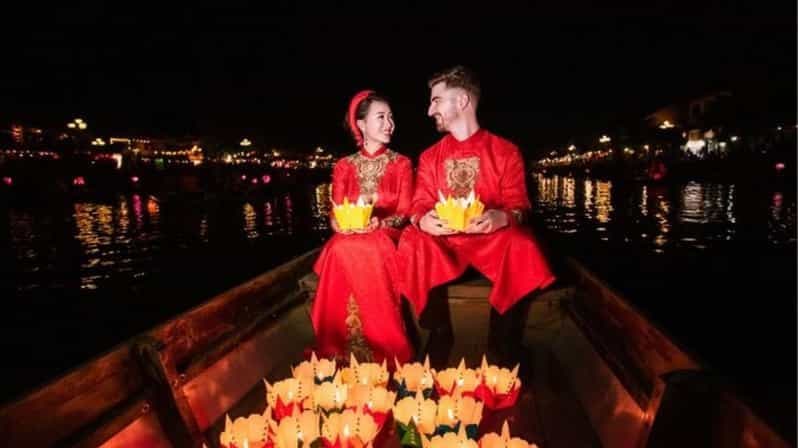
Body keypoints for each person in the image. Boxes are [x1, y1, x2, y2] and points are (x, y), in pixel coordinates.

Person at [396, 66, 556, 362]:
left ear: (462, 101)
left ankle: (503, 341)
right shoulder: (430, 157)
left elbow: (520, 204)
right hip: (446, 245)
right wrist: (423, 220)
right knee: (413, 238)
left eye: (436, 100)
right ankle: (439, 332)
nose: (429, 110)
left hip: (489, 243)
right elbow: (418, 205)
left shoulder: (506, 151)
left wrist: (502, 217)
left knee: (522, 243)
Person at [311, 90, 414, 364]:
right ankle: (337, 348)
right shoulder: (345, 166)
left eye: (391, 117)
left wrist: (380, 222)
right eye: (381, 117)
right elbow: (336, 211)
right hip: (352, 235)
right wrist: (337, 223)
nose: (389, 123)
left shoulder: (401, 163)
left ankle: (387, 350)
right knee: (338, 247)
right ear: (361, 124)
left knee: (370, 246)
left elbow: (404, 212)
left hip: (387, 234)